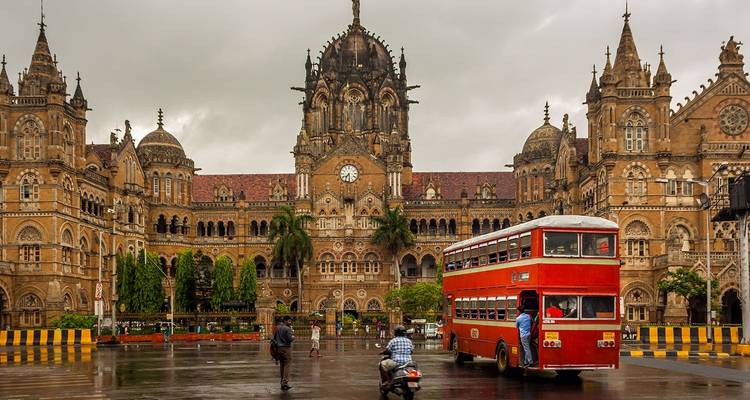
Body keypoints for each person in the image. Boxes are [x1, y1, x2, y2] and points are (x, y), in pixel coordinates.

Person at [273, 316, 295, 391]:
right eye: (289, 321)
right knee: (287, 365)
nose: (290, 322)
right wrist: (293, 336)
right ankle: (285, 383)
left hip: (279, 348)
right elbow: (290, 339)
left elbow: (274, 338)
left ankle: (282, 381)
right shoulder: (287, 329)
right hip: (286, 348)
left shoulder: (277, 327)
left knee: (282, 365)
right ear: (285, 321)